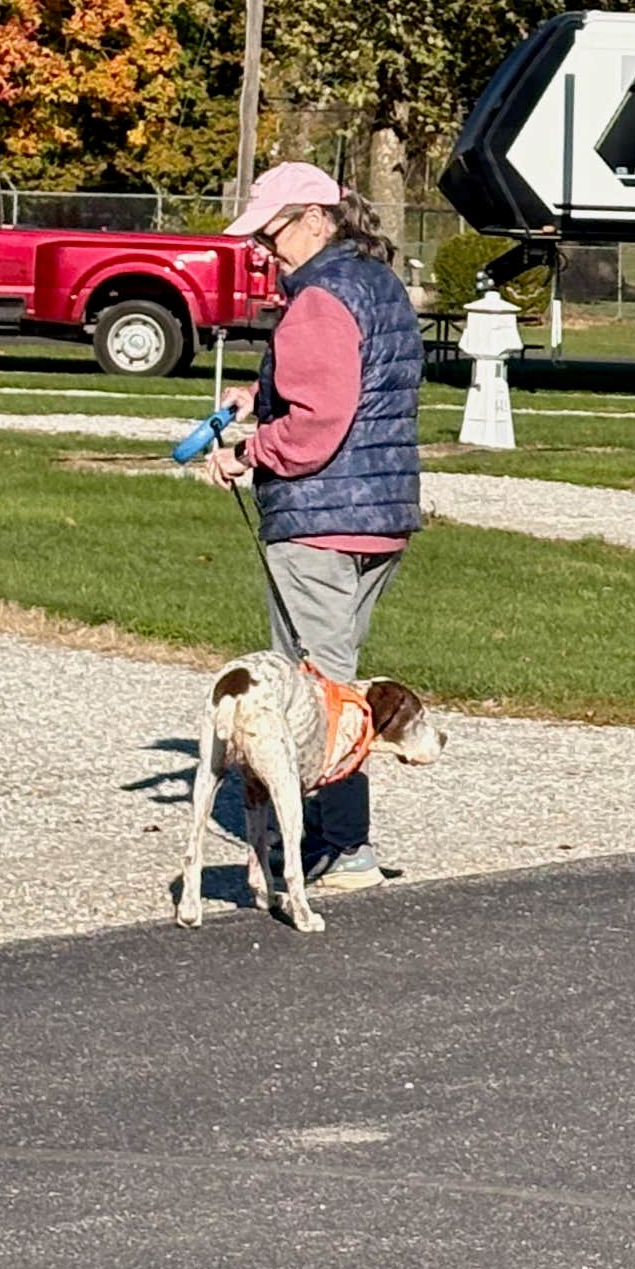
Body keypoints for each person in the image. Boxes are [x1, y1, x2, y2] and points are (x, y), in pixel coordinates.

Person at [199, 162, 424, 891]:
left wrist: (248, 452)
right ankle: (324, 835)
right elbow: (350, 391)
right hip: (378, 512)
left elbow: (318, 425)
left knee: (319, 687)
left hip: (320, 517)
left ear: (316, 218)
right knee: (331, 672)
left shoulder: (319, 300)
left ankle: (343, 845)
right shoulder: (377, 283)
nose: (265, 250)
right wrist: (257, 395)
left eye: (272, 232)